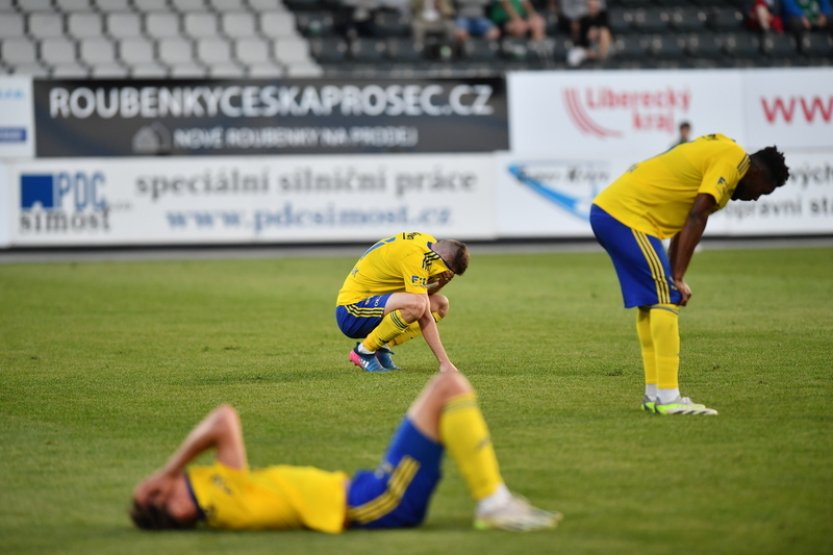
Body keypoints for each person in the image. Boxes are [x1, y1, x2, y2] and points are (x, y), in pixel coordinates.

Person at [130, 371, 562, 532]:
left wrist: (169, 472)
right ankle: (493, 504)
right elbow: (221, 421)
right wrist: (167, 477)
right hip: (375, 503)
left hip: (366, 490)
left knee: (449, 385)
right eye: (161, 495)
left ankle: (494, 500)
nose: (168, 485)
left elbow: (224, 419)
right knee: (448, 387)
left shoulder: (222, 487)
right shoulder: (224, 507)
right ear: (179, 512)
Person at [589, 134, 790, 416]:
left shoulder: (722, 150)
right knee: (665, 300)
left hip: (614, 212)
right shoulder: (733, 160)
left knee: (653, 301)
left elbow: (688, 220)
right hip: (626, 216)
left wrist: (674, 276)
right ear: (755, 172)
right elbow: (697, 216)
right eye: (762, 190)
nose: (755, 197)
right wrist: (678, 278)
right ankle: (669, 398)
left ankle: (655, 395)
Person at [336, 231, 469, 373]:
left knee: (440, 305)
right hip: (351, 311)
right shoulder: (416, 257)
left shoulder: (426, 243)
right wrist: (445, 362)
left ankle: (381, 347)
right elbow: (422, 311)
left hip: (377, 302)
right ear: (444, 260)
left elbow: (424, 294)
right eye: (447, 271)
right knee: (417, 305)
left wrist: (443, 280)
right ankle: (364, 351)